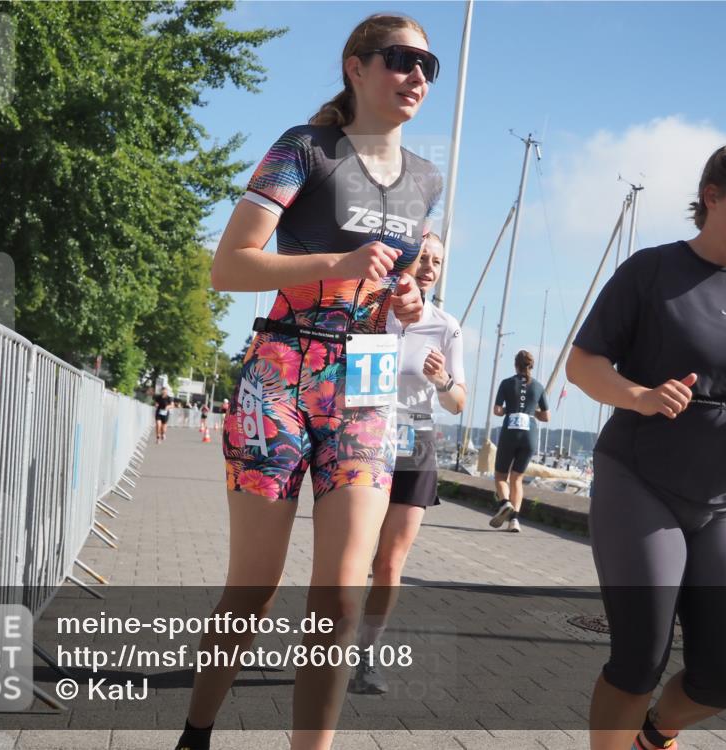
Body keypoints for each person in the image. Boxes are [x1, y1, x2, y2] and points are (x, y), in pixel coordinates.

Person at [177, 14, 442, 750]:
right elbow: (229, 266)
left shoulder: (426, 178)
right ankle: (196, 731)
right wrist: (336, 265)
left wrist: (407, 300)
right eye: (400, 59)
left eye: (429, 65)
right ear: (356, 67)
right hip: (281, 374)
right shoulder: (303, 148)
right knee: (253, 591)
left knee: (339, 601)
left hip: (366, 375)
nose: (417, 75)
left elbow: (395, 288)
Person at [565, 143, 726, 750]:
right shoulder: (650, 271)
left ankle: (655, 733)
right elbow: (583, 365)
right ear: (712, 196)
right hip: (640, 479)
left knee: (725, 676)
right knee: (640, 654)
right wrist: (640, 394)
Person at [348, 232, 466, 694]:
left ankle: (367, 656)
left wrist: (442, 380)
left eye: (439, 261)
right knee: (353, 558)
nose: (432, 267)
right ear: (406, 261)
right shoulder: (372, 312)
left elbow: (458, 403)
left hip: (415, 442)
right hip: (363, 435)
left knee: (390, 563)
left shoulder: (445, 326)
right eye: (425, 258)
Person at [489, 351, 550, 533]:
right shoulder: (538, 386)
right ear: (531, 366)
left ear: (515, 365)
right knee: (517, 478)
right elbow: (546, 416)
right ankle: (514, 521)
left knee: (501, 476)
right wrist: (531, 412)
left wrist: (510, 410)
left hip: (510, 433)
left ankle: (505, 503)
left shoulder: (506, 383)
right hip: (529, 434)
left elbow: (497, 410)